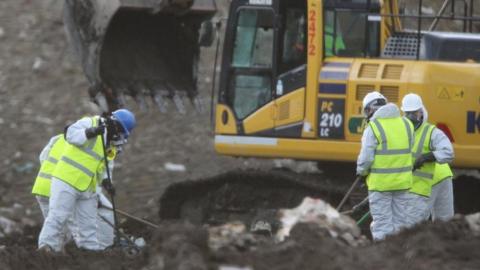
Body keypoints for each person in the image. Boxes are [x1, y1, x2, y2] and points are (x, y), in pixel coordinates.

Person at [38, 109, 136, 252]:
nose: (119, 136)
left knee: (89, 225)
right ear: (115, 125)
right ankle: (46, 248)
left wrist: (106, 181)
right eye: (120, 131)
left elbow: (105, 165)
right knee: (58, 216)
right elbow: (70, 134)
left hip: (88, 188)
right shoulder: (90, 122)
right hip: (67, 179)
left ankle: (91, 255)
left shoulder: (111, 144)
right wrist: (90, 132)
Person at [356, 91, 414, 241]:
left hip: (381, 185)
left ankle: (384, 259)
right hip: (403, 183)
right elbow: (410, 148)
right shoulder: (406, 123)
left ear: (370, 109)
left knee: (382, 225)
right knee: (401, 224)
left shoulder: (373, 128)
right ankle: (402, 258)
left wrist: (361, 172)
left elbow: (366, 158)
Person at [401, 93, 454, 223]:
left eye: (414, 113)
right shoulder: (401, 131)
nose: (410, 117)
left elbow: (448, 152)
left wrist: (427, 157)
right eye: (407, 113)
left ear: (420, 112)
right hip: (422, 180)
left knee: (439, 222)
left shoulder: (430, 132)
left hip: (437, 177)